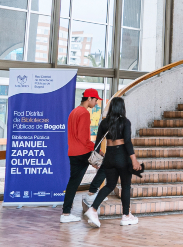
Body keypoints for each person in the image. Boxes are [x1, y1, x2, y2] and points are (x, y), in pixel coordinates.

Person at [83, 96, 142, 228]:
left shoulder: (104, 123)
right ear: (122, 107)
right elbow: (127, 142)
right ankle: (126, 216)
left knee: (110, 185)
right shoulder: (125, 122)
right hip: (122, 157)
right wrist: (134, 160)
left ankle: (93, 210)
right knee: (126, 186)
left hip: (109, 156)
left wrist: (95, 159)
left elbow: (97, 143)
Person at [60, 88, 106, 223]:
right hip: (82, 152)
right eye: (95, 100)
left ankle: (66, 213)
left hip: (73, 152)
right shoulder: (84, 113)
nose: (96, 103)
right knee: (107, 164)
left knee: (73, 183)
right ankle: (92, 193)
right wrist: (96, 150)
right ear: (89, 98)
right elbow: (83, 137)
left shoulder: (73, 112)